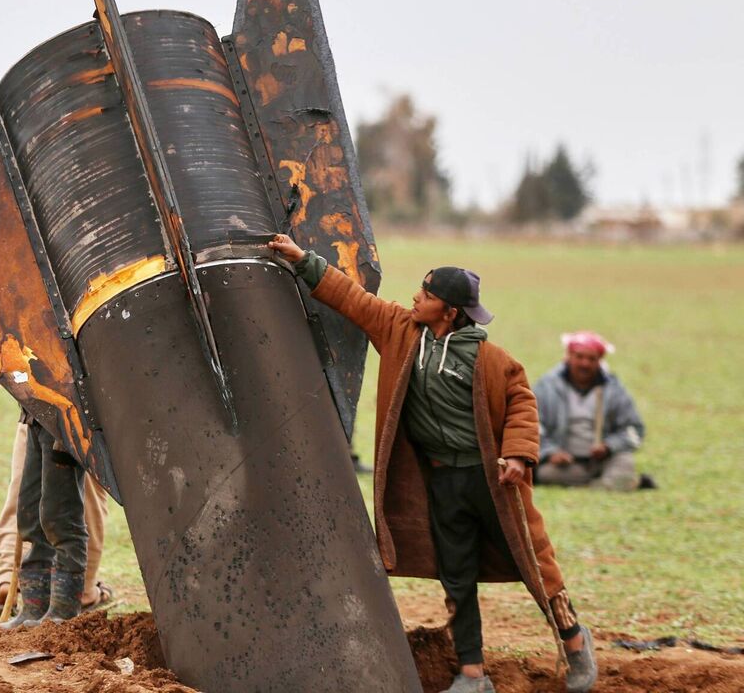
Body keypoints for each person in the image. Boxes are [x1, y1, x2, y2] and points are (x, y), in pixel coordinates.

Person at [268, 234, 597, 693]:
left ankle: (576, 642)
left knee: (536, 561)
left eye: (426, 295)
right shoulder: (401, 333)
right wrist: (304, 261)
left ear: (450, 311)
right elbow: (353, 299)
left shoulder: (493, 361)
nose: (414, 299)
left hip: (492, 482)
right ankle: (472, 674)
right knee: (455, 572)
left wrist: (520, 456)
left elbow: (522, 402)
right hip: (441, 483)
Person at [0, 413, 113, 617]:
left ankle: (11, 582)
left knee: (25, 494)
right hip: (72, 410)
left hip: (36, 398)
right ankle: (80, 593)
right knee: (74, 503)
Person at [534, 332, 649, 491]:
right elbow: (531, 426)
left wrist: (609, 446)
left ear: (600, 361)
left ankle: (609, 480)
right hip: (567, 464)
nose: (585, 364)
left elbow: (634, 429)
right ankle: (607, 483)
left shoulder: (614, 390)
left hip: (603, 460)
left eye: (591, 359)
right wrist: (551, 452)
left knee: (624, 461)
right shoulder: (546, 387)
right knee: (547, 473)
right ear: (568, 356)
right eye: (579, 357)